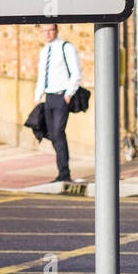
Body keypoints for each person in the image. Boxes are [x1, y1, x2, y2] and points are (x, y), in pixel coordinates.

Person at [34, 22, 82, 183]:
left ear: (56, 30)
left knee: (59, 134)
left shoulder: (66, 47)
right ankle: (62, 170)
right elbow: (41, 76)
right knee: (52, 134)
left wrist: (68, 94)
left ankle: (64, 173)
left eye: (50, 30)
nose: (47, 33)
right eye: (44, 31)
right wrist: (37, 97)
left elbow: (76, 72)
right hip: (48, 98)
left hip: (61, 97)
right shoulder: (44, 51)